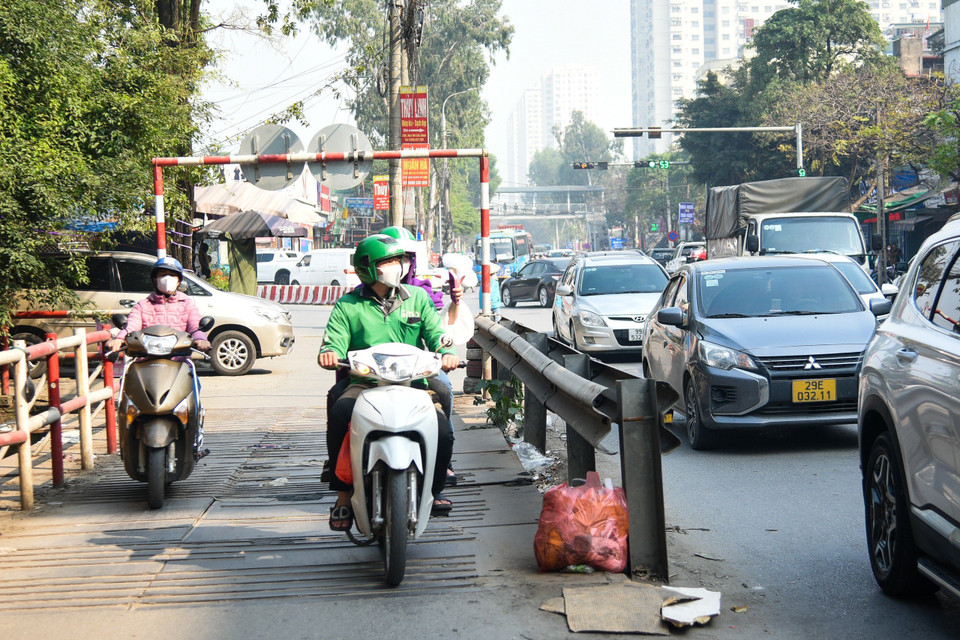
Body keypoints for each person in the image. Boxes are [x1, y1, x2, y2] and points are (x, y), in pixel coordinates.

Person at [318, 234, 459, 532]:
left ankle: (433, 489)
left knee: (443, 428)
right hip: (366, 384)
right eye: (388, 261)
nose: (396, 266)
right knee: (339, 407)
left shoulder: (418, 298)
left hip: (413, 383)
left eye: (398, 260)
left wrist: (446, 352)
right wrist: (329, 352)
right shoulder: (348, 305)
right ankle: (342, 492)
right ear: (367, 267)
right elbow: (334, 340)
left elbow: (435, 333)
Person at [107, 257, 212, 353]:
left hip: (179, 361)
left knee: (192, 374)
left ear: (179, 281)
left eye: (172, 275)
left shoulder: (187, 304)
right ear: (155, 279)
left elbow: (195, 326)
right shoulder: (143, 305)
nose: (167, 278)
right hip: (146, 361)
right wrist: (120, 339)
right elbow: (131, 326)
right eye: (163, 275)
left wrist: (201, 339)